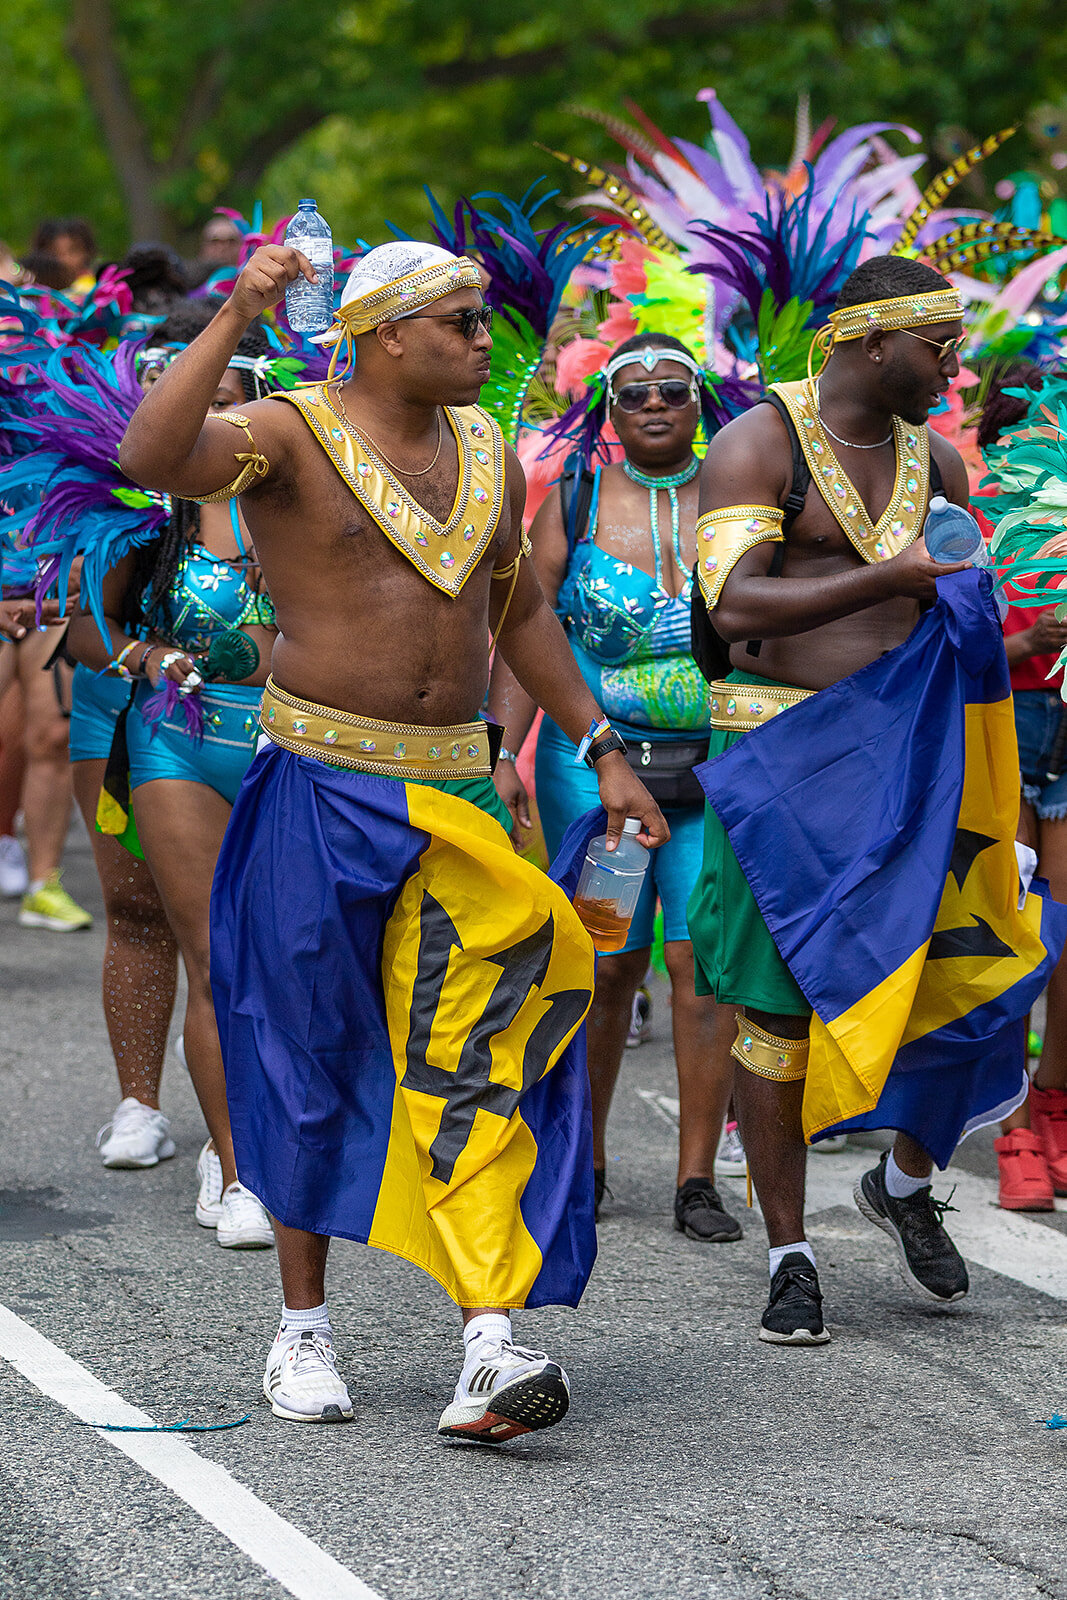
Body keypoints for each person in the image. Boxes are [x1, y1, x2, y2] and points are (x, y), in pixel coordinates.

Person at [117, 239, 666, 1440]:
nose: (483, 340)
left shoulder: (490, 455)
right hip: (319, 782)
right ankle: (302, 1331)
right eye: (461, 323)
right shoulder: (286, 431)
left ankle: (486, 1337)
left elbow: (513, 609)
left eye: (480, 322)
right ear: (381, 334)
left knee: (480, 1049)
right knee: (303, 1047)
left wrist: (599, 748)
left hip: (456, 797)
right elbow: (147, 456)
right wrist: (237, 308)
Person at [689, 254, 984, 1344]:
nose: (950, 364)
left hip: (906, 763)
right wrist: (886, 577)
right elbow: (732, 605)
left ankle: (902, 1184)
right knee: (774, 1013)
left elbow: (959, 602)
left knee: (963, 990)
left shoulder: (937, 460)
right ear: (870, 342)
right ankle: (789, 1253)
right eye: (934, 344)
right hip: (783, 761)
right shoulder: (757, 442)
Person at [489, 332, 740, 1241]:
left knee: (700, 964)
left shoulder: (743, 491)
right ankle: (582, 1158)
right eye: (633, 393)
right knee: (604, 961)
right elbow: (528, 629)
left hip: (715, 770)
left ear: (699, 396)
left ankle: (697, 1179)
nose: (654, 405)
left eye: (671, 388)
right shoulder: (578, 498)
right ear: (608, 405)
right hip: (593, 768)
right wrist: (499, 750)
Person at [67, 315, 282, 1243]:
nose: (202, 424)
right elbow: (85, 633)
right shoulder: (138, 524)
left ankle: (258, 1139)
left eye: (223, 405)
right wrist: (146, 656)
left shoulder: (303, 498)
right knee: (211, 952)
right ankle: (233, 1169)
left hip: (293, 745)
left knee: (289, 953)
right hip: (174, 739)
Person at [29, 219, 96, 297]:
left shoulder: (94, 291)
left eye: (73, 251)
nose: (64, 259)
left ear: (87, 253)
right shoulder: (31, 290)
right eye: (54, 253)